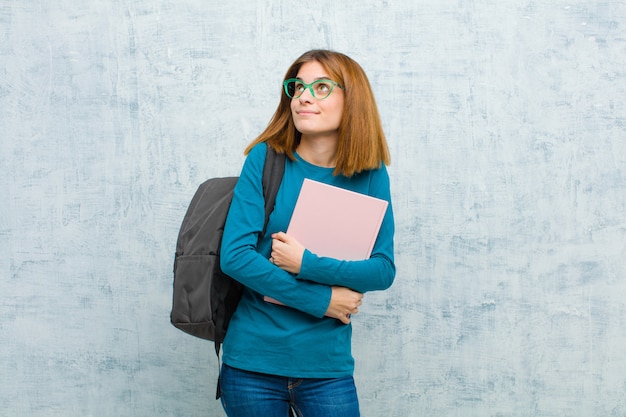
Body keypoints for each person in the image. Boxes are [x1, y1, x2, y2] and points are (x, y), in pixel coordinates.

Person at [219, 49, 395, 417]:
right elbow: (235, 257)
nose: (303, 96)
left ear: (353, 99)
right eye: (297, 86)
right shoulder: (265, 159)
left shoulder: (371, 174)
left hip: (326, 369)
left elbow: (381, 270)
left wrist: (305, 263)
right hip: (252, 363)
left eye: (321, 87)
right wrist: (321, 301)